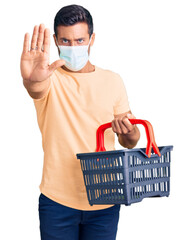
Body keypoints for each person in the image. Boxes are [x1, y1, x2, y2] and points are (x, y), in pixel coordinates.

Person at [20, 4, 140, 240]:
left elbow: (130, 140)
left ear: (91, 38)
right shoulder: (50, 78)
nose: (73, 47)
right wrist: (31, 81)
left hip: (106, 199)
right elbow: (36, 89)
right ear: (55, 40)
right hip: (57, 202)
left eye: (79, 40)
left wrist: (128, 131)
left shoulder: (112, 81)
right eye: (65, 41)